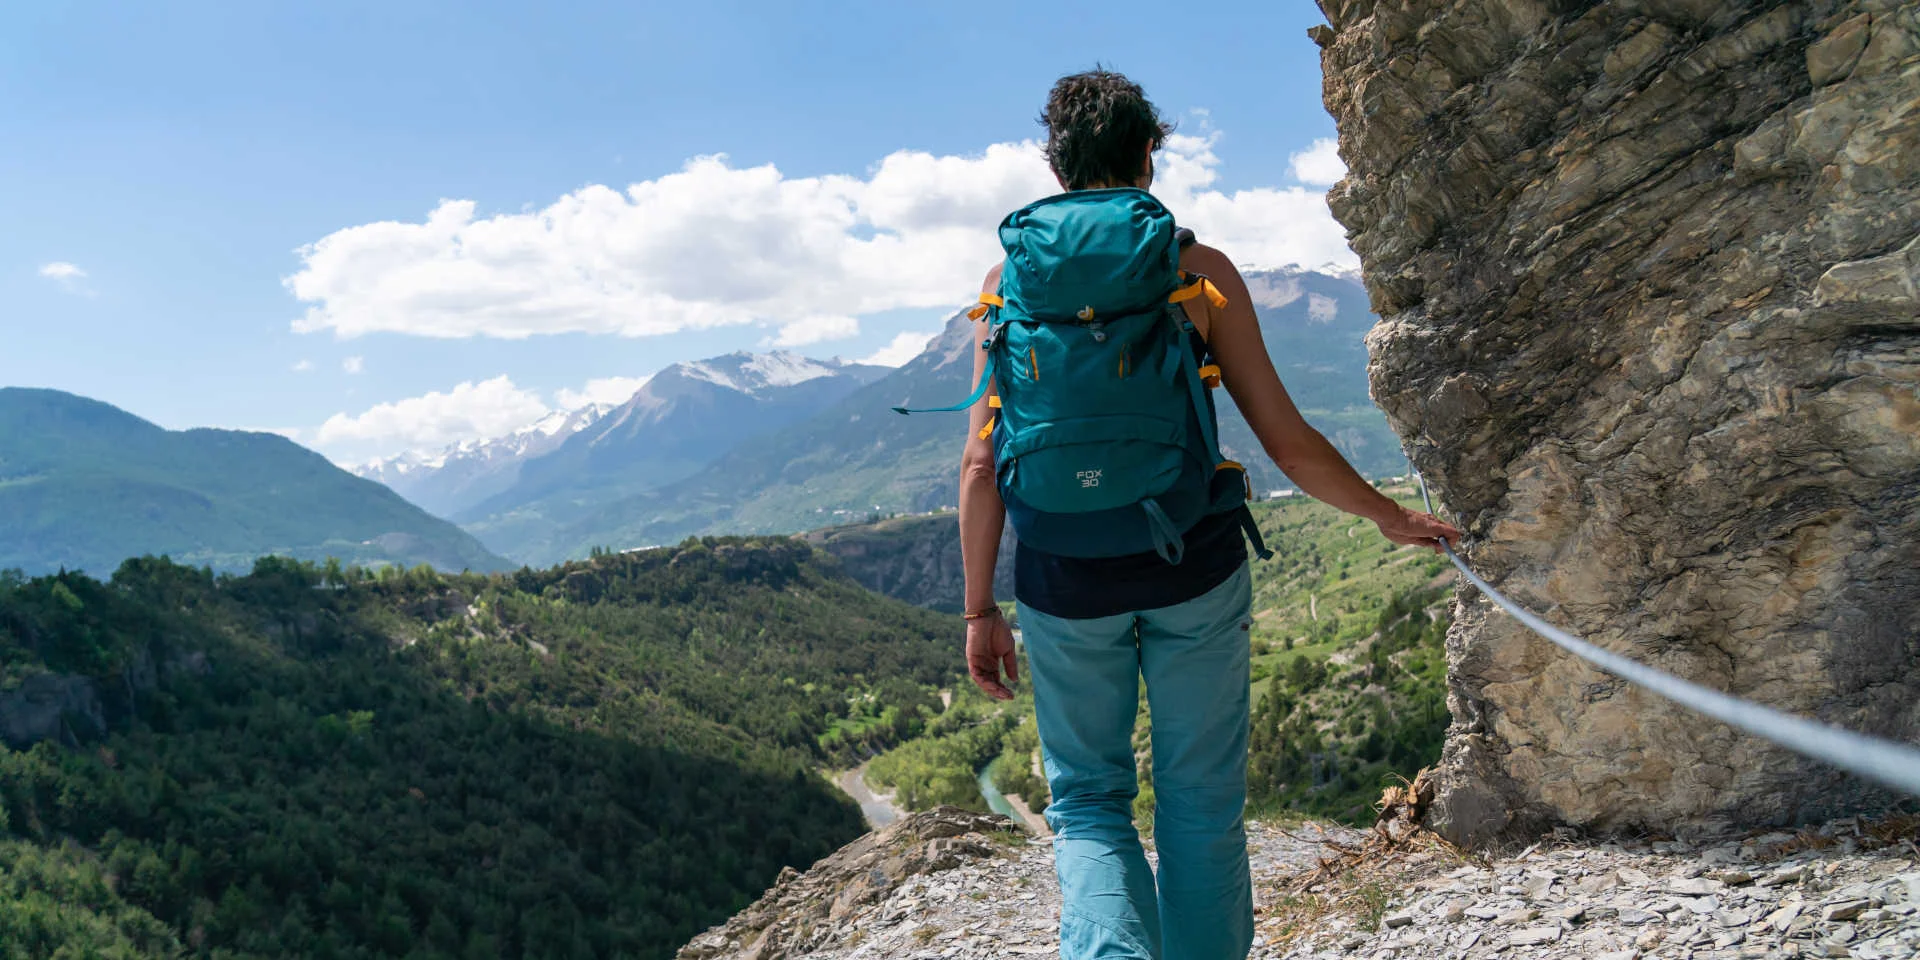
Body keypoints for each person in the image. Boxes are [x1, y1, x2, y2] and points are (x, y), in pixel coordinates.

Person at [955, 69, 1461, 960]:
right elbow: (1287, 440)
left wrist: (977, 607)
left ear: (1056, 161)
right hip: (1194, 566)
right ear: (1149, 154)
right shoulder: (1197, 271)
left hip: (1063, 578)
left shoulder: (1009, 280)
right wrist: (1388, 516)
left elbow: (979, 463)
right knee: (1199, 805)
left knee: (1087, 803)